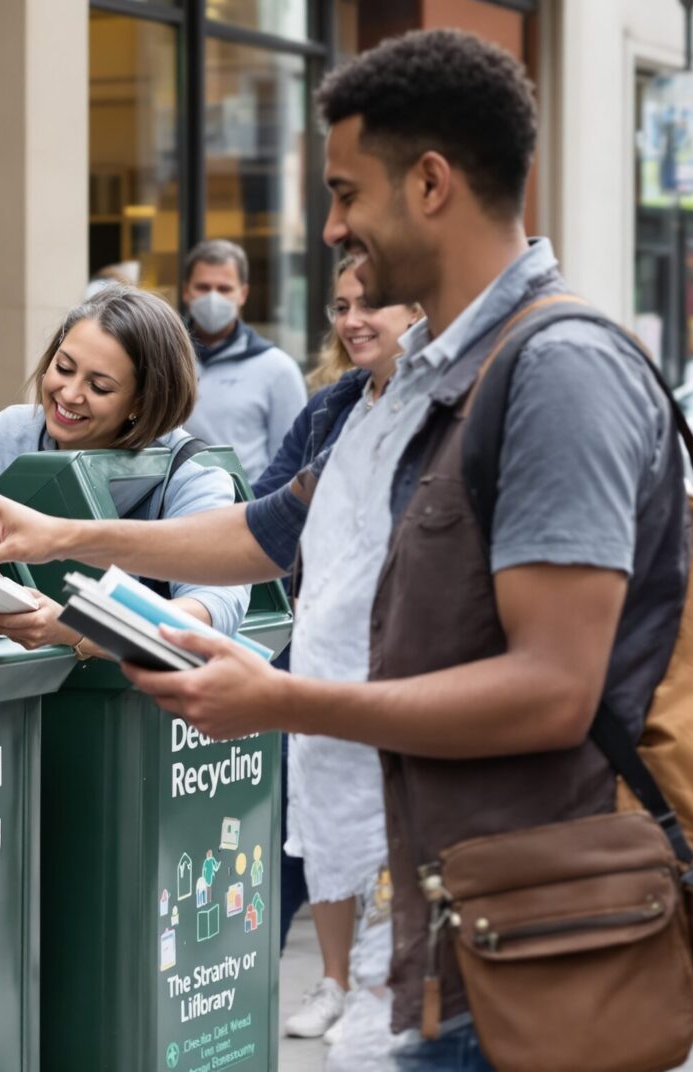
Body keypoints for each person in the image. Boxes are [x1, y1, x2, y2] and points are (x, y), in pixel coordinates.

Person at [0, 30, 685, 1072]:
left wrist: (279, 699)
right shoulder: (413, 385)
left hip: (519, 938)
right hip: (408, 925)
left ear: (430, 183)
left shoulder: (556, 373)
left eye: (343, 192)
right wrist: (59, 531)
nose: (330, 227)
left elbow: (552, 687)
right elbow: (269, 529)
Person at [0, 284, 250, 647]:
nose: (69, 394)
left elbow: (210, 614)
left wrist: (77, 627)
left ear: (141, 402)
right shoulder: (9, 433)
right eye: (64, 367)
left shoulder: (189, 476)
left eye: (100, 387)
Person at [262, 255, 422, 1047]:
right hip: (322, 656)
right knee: (321, 824)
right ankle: (335, 981)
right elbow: (267, 515)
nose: (354, 319)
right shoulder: (333, 410)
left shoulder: (445, 411)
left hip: (401, 668)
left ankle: (384, 981)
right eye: (341, 305)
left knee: (394, 830)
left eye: (374, 304)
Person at [180, 238, 307, 479]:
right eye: (203, 288)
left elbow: (291, 464)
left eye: (224, 289)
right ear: (186, 291)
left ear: (243, 293)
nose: (213, 298)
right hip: (171, 510)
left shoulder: (278, 369)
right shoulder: (163, 360)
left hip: (244, 511)